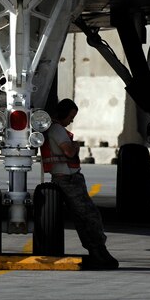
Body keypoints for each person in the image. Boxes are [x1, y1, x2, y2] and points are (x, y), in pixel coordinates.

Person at [42, 98, 119, 269]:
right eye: (71, 117)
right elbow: (69, 152)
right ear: (63, 114)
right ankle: (99, 250)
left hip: (62, 177)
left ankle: (97, 251)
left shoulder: (52, 128)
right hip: (69, 179)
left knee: (81, 217)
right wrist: (75, 146)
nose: (71, 121)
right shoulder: (57, 129)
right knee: (90, 215)